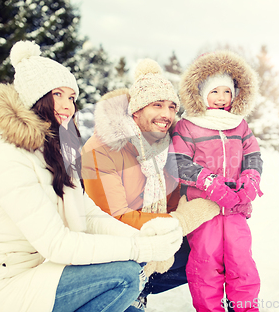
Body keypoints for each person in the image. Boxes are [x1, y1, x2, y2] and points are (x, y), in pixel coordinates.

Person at [0, 41, 184, 312]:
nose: (68, 106)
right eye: (58, 95)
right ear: (34, 98)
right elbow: (57, 244)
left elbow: (89, 216)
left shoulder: (59, 154)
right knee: (125, 276)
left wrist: (146, 237)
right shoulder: (6, 157)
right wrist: (138, 250)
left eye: (72, 97)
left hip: (45, 276)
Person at [81, 59, 220, 311]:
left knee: (211, 245)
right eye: (157, 105)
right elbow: (113, 219)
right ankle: (122, 289)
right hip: (111, 250)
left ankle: (140, 287)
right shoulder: (102, 148)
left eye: (171, 107)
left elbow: (175, 201)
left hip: (152, 237)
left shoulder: (167, 147)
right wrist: (179, 222)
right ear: (136, 111)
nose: (166, 115)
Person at [167, 51, 264, 312]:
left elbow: (253, 156)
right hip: (204, 209)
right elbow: (177, 161)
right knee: (205, 263)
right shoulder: (188, 126)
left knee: (241, 260)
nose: (221, 98)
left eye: (227, 92)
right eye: (215, 92)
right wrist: (208, 182)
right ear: (201, 93)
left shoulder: (239, 125)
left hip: (235, 208)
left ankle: (244, 308)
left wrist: (250, 181)